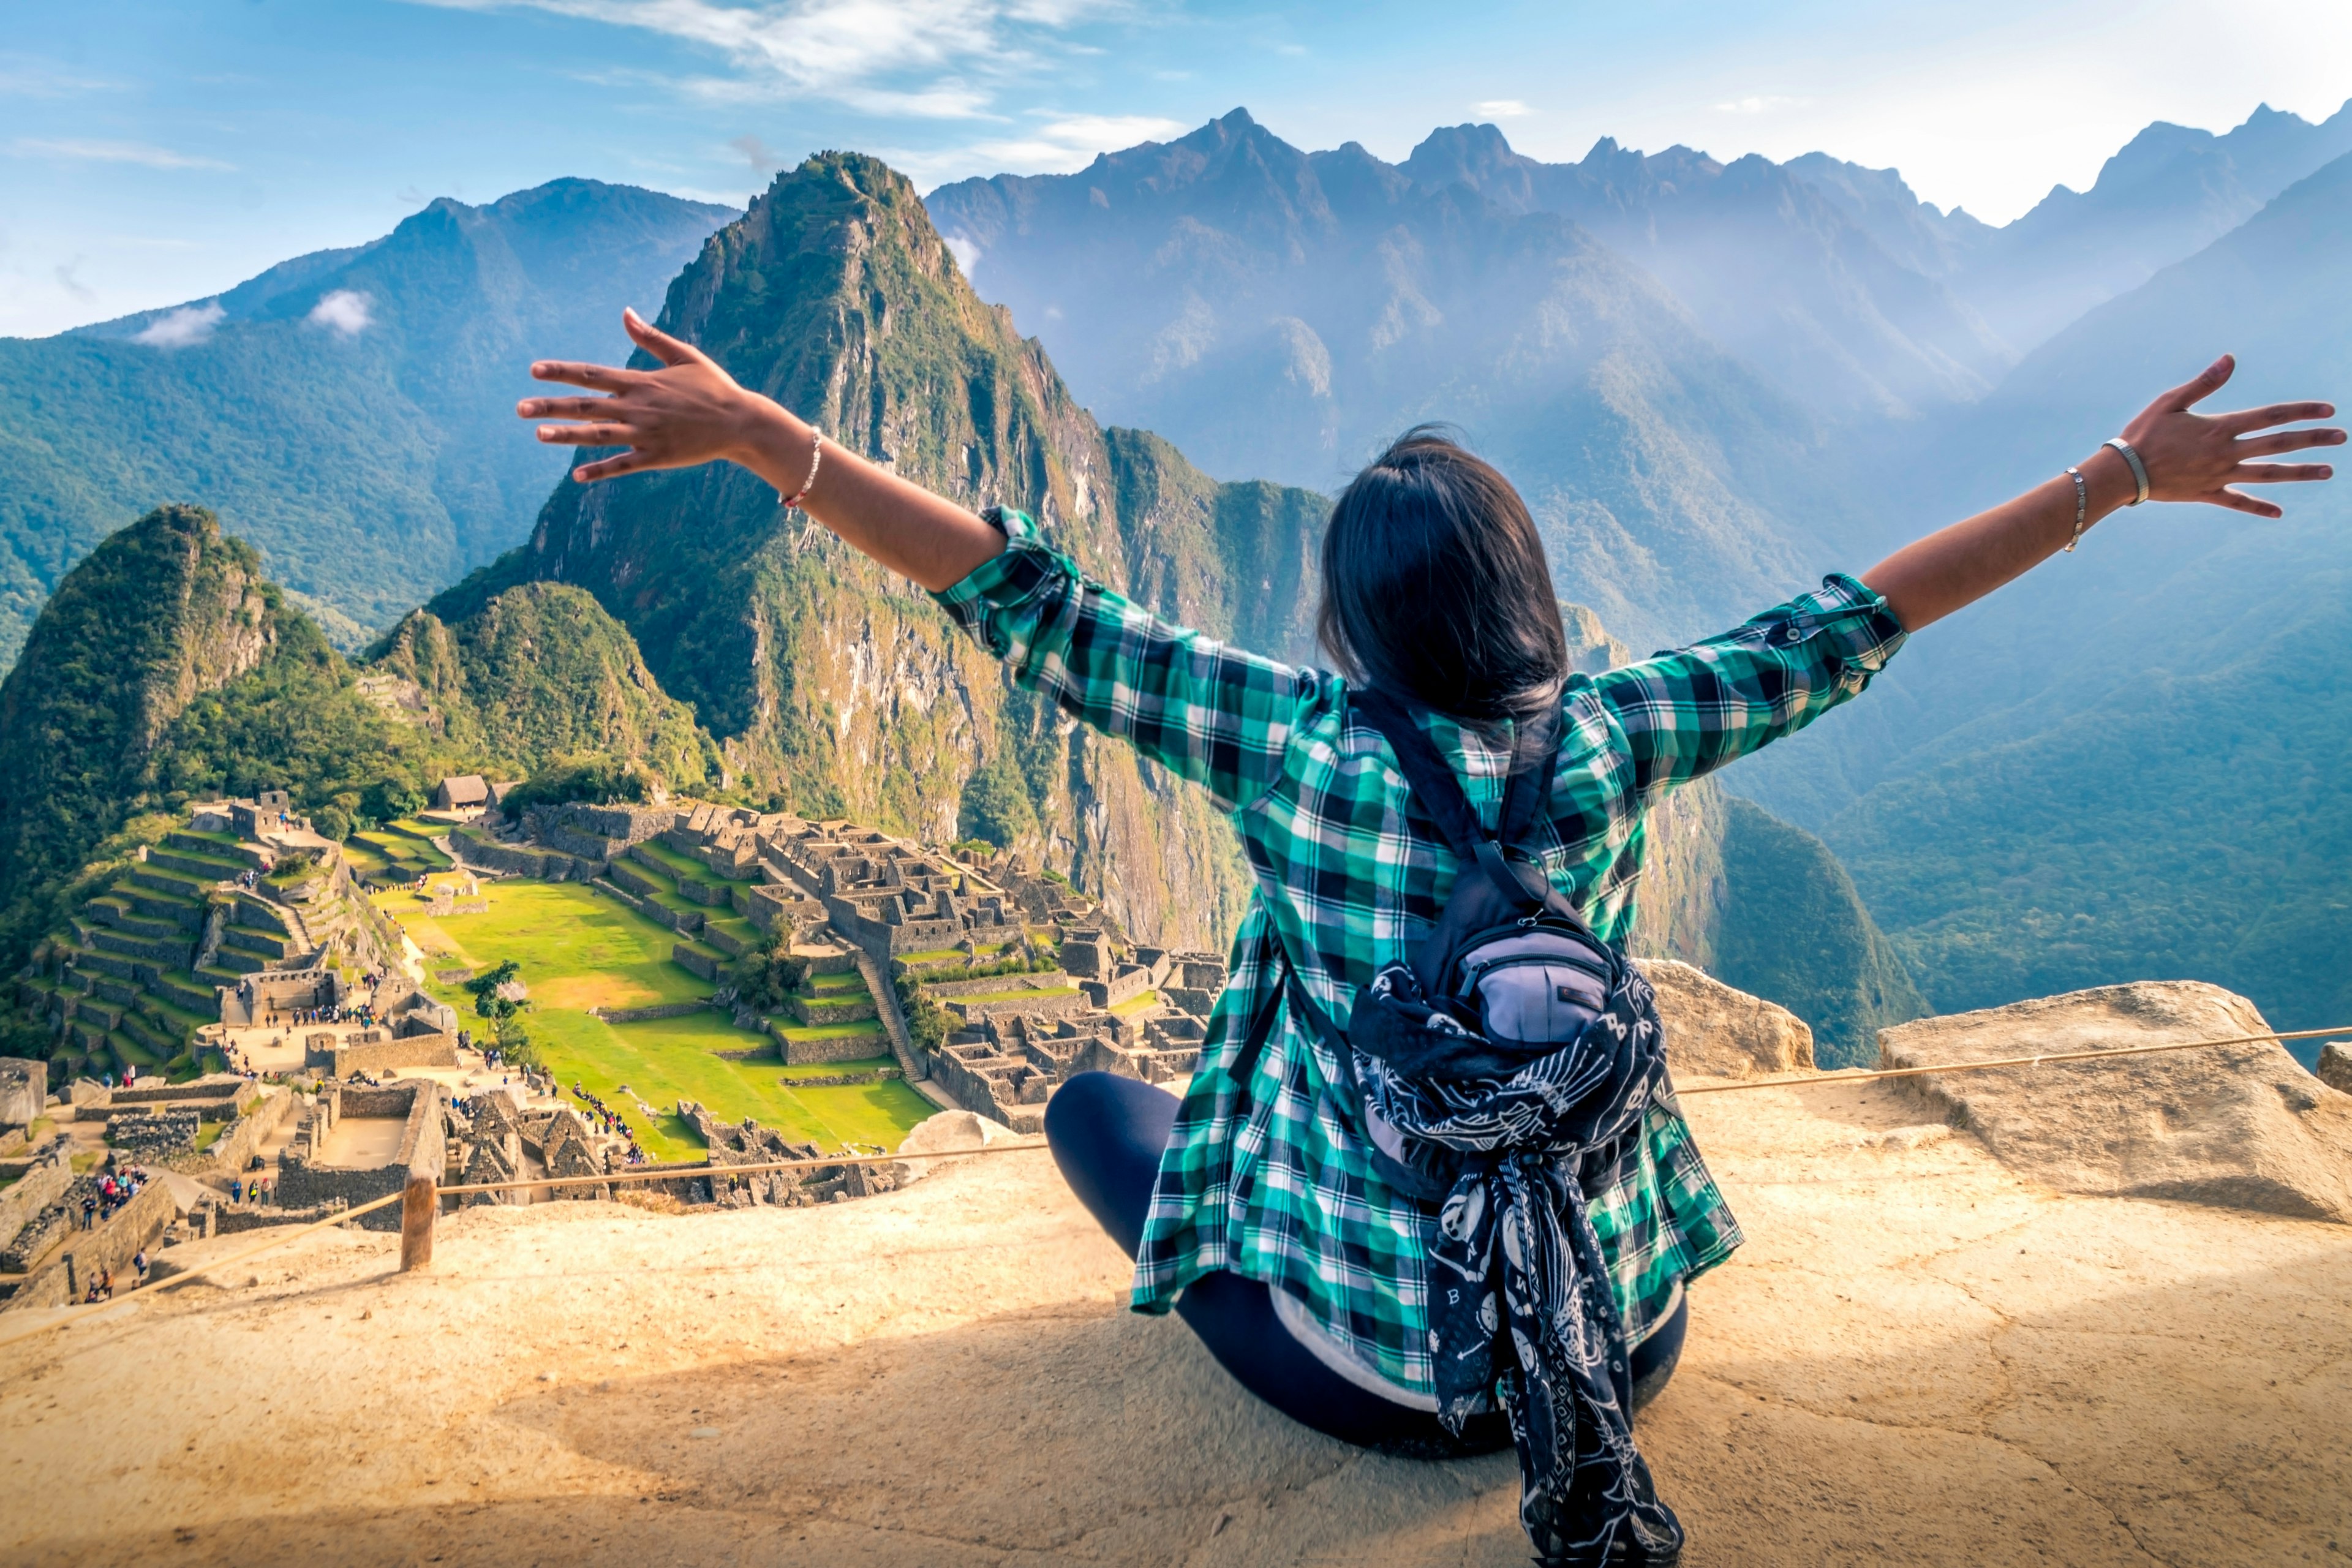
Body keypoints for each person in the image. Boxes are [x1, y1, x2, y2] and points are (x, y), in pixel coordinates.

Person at [519, 311, 2338, 1564]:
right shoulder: (1627, 734)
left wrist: (765, 434)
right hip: (1624, 1348)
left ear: (1348, 620)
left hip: (1378, 1383)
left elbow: (1026, 597)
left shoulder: (1290, 750)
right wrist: (2120, 472)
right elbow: (1857, 616)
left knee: (1097, 1113)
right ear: (1531, 599)